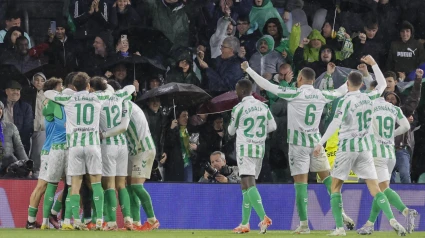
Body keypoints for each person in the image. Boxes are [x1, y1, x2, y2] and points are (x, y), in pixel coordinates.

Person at [242, 61, 355, 234]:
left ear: (300, 78)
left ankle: (304, 225)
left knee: (300, 185)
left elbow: (267, 85)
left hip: (298, 146)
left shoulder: (294, 93)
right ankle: (342, 213)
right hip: (316, 144)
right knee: (328, 180)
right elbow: (342, 90)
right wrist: (337, 76)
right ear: (314, 80)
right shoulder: (321, 94)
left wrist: (249, 69)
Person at [313, 55, 407, 236]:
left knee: (335, 186)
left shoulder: (345, 100)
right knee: (375, 188)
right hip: (364, 149)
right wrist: (374, 64)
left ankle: (340, 229)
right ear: (362, 84)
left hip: (348, 148)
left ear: (347, 85)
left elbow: (334, 123)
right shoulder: (369, 97)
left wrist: (320, 142)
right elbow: (381, 84)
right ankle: (393, 220)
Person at [356, 71, 422, 235]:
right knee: (382, 189)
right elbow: (406, 126)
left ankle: (400, 216)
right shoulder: (392, 108)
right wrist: (390, 135)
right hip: (390, 153)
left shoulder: (368, 106)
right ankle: (370, 224)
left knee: (379, 191)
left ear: (373, 91)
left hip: (376, 153)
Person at [44, 72, 104, 230]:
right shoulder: (97, 98)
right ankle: (99, 221)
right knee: (96, 184)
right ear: (89, 86)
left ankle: (75, 220)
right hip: (93, 146)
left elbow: (48, 93)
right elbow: (111, 93)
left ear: (75, 87)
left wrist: (69, 92)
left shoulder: (69, 99)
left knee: (74, 185)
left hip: (75, 147)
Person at [101, 98, 160, 231]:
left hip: (143, 148)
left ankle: (152, 220)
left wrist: (103, 135)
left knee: (136, 186)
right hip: (132, 150)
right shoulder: (124, 104)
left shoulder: (124, 105)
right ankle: (136, 222)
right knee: (128, 186)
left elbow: (123, 127)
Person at [228, 79, 276, 234]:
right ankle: (244, 223)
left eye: (236, 90)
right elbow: (273, 126)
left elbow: (230, 131)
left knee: (249, 184)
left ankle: (264, 217)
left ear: (242, 91)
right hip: (259, 149)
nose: (236, 93)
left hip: (245, 149)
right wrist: (258, 133)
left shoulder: (238, 108)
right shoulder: (263, 105)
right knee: (245, 186)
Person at [90, 77, 135, 231]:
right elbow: (130, 87)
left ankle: (111, 222)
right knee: (122, 184)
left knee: (109, 184)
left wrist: (103, 134)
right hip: (122, 145)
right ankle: (128, 219)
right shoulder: (120, 97)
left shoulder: (96, 99)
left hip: (106, 145)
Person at [37, 78, 69, 230]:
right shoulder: (65, 103)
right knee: (71, 185)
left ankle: (46, 220)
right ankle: (57, 216)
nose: (62, 88)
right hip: (63, 148)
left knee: (53, 185)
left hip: (56, 148)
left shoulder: (53, 103)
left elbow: (45, 110)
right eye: (60, 86)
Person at [1, 80, 33, 155]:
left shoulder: (26, 107)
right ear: (6, 91)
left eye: (18, 90)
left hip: (19, 144)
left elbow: (27, 129)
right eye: (12, 90)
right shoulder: (1, 105)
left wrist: (18, 145)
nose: (16, 92)